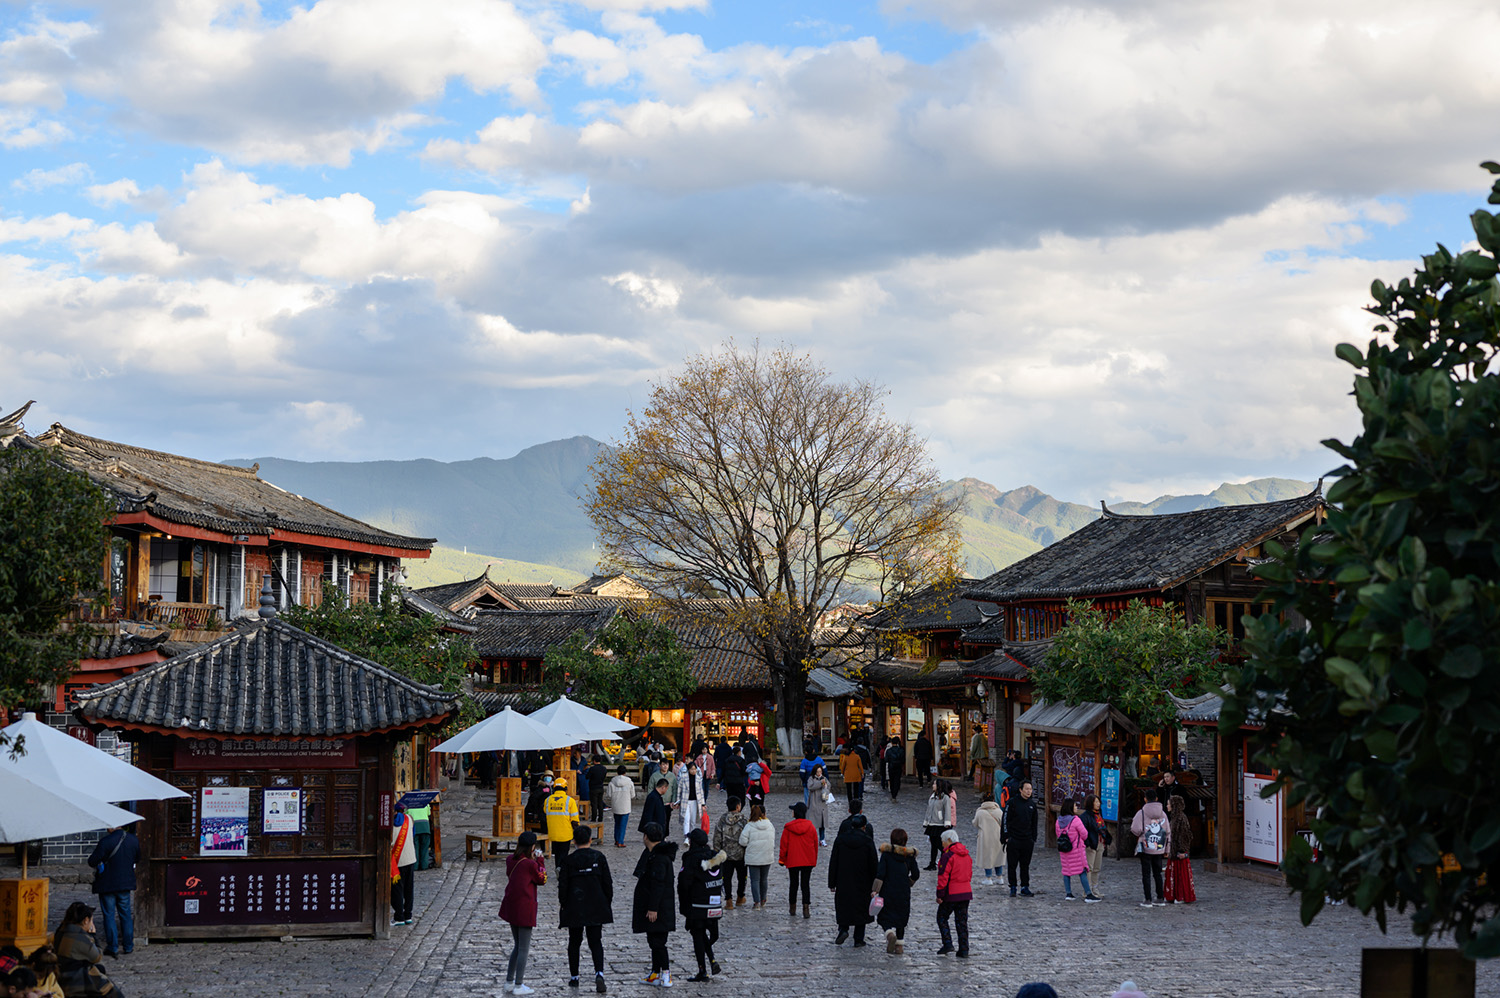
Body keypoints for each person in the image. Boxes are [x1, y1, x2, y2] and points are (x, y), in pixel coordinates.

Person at [559, 825, 613, 993]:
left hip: (575, 905)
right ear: (590, 840)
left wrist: (564, 904)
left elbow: (563, 887)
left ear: (573, 841)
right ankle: (599, 973)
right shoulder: (599, 857)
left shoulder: (568, 861)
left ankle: (574, 977)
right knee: (595, 941)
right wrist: (606, 902)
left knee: (574, 942)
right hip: (596, 904)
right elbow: (608, 884)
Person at [499, 831, 547, 996]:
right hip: (525, 907)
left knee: (517, 946)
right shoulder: (530, 864)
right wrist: (540, 860)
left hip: (512, 906)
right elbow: (542, 879)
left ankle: (509, 981)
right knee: (524, 948)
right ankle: (519, 985)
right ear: (533, 847)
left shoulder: (510, 860)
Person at [632, 823, 678, 988]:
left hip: (659, 908)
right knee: (653, 940)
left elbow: (658, 884)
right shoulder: (655, 854)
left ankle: (666, 973)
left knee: (658, 942)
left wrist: (653, 908)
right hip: (658, 906)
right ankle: (655, 973)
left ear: (646, 837)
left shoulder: (659, 858)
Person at [677, 828, 726, 981]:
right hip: (715, 904)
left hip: (697, 904)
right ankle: (712, 960)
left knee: (697, 935)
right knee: (703, 933)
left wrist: (684, 905)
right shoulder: (715, 858)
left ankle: (702, 970)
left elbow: (684, 883)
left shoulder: (691, 859)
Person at [87, 825, 140, 958]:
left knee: (109, 915)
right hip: (125, 883)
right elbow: (137, 858)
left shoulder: (106, 841)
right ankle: (128, 946)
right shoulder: (133, 840)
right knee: (126, 914)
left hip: (107, 884)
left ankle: (113, 946)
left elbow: (92, 861)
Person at [826, 814, 878, 947]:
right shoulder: (867, 841)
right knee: (861, 908)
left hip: (844, 878)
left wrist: (832, 882)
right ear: (864, 827)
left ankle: (843, 929)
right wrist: (875, 885)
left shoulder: (841, 839)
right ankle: (859, 939)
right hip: (863, 879)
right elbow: (873, 864)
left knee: (844, 905)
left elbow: (834, 861)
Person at [53, 902, 122, 997]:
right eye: (91, 921)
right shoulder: (79, 937)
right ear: (86, 920)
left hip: (62, 972)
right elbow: (97, 957)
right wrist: (93, 935)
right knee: (113, 992)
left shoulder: (61, 931)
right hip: (75, 978)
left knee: (100, 969)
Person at [872, 827, 920, 954]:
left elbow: (880, 874)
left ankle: (889, 934)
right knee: (901, 918)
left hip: (888, 890)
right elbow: (916, 874)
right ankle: (899, 946)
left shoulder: (886, 855)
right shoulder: (909, 856)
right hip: (903, 891)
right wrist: (909, 882)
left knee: (884, 916)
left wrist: (875, 890)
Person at [934, 828, 972, 958]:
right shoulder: (966, 855)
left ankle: (947, 943)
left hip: (951, 893)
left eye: (943, 841)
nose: (942, 844)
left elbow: (943, 877)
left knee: (942, 917)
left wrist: (940, 895)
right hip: (965, 892)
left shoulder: (947, 856)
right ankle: (964, 949)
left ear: (949, 841)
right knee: (962, 922)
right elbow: (969, 874)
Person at [1131, 789, 1171, 907]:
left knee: (1146, 873)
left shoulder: (1141, 813)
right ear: (1157, 799)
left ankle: (1148, 899)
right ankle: (1160, 897)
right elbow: (1168, 832)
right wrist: (1167, 849)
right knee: (1157, 873)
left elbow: (1135, 829)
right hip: (1159, 847)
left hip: (1145, 846)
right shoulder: (1163, 814)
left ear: (1145, 799)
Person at [779, 801, 819, 919]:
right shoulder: (810, 827)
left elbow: (784, 845)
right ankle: (806, 908)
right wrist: (814, 859)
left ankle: (793, 907)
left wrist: (782, 860)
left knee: (794, 884)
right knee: (805, 884)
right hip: (807, 860)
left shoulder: (789, 828)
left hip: (793, 860)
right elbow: (815, 844)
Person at [1055, 798, 1100, 902]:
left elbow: (1058, 833)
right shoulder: (1075, 820)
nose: (1076, 808)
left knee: (1066, 871)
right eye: (1075, 806)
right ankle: (1088, 894)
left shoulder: (1058, 821)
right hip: (1076, 850)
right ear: (1070, 807)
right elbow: (1084, 834)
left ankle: (1069, 893)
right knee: (1082, 871)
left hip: (1064, 849)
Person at [1003, 780, 1038, 897]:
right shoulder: (1012, 803)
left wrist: (1034, 837)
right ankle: (1012, 886)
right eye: (1026, 789)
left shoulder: (1032, 805)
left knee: (1025, 865)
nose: (1029, 791)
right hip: (1014, 838)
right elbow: (1005, 820)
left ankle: (1025, 886)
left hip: (1027, 839)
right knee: (1012, 865)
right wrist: (1006, 837)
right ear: (1020, 790)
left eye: (1030, 789)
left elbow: (1034, 823)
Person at [738, 803, 776, 910]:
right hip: (767, 855)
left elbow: (743, 841)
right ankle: (763, 899)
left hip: (753, 857)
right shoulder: (769, 824)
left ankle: (757, 902)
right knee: (764, 879)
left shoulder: (749, 826)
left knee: (755, 880)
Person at [712, 797, 749, 909]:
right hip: (740, 854)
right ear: (738, 806)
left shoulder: (722, 820)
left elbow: (717, 837)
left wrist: (717, 850)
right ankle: (740, 897)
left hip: (725, 854)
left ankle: (728, 900)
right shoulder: (743, 820)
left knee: (726, 878)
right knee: (742, 877)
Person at [1164, 795, 1196, 904]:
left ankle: (1180, 895)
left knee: (1180, 875)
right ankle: (1172, 895)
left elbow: (1185, 835)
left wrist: (1182, 851)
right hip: (1174, 850)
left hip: (1178, 851)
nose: (1167, 806)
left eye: (1169, 804)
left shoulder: (1180, 818)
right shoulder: (1174, 817)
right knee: (1172, 873)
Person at [390, 804, 417, 926]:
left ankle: (399, 916)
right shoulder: (409, 819)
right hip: (410, 858)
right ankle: (408, 915)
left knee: (396, 890)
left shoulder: (389, 826)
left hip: (397, 862)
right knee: (408, 889)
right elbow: (413, 834)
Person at [972, 793, 1005, 886]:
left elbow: (975, 823)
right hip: (998, 837)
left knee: (988, 857)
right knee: (998, 857)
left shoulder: (980, 812)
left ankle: (988, 877)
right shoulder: (999, 811)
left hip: (985, 838)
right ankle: (999, 877)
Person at [1081, 793, 1111, 892]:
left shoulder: (1099, 814)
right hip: (1091, 844)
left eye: (1098, 802)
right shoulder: (1085, 816)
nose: (1098, 804)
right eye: (1096, 802)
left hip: (1100, 842)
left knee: (1097, 867)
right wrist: (1088, 843)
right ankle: (1087, 890)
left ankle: (1095, 888)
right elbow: (1083, 831)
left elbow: (1102, 828)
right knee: (1089, 867)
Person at [545, 780, 581, 860]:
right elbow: (574, 820)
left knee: (557, 856)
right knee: (563, 855)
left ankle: (558, 868)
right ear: (565, 788)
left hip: (553, 833)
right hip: (565, 835)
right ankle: (561, 870)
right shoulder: (570, 801)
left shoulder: (547, 800)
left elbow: (545, 811)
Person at [922, 779, 954, 870]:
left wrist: (947, 823)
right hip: (932, 823)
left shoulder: (945, 798)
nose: (933, 785)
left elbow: (947, 811)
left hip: (939, 825)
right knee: (933, 845)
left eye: (935, 784)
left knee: (940, 845)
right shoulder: (932, 797)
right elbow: (928, 810)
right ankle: (932, 863)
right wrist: (926, 821)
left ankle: (945, 862)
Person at [672, 760, 707, 839]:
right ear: (688, 769)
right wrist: (678, 801)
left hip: (695, 802)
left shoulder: (698, 778)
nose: (694, 771)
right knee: (686, 819)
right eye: (692, 769)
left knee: (693, 821)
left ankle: (693, 837)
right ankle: (687, 837)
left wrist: (703, 804)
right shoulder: (683, 778)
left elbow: (701, 792)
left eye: (695, 769)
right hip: (685, 801)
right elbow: (679, 790)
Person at [606, 766, 636, 848]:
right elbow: (633, 795)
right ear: (625, 772)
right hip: (625, 806)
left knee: (617, 823)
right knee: (623, 825)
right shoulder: (629, 782)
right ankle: (620, 841)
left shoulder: (612, 782)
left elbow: (609, 794)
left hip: (616, 805)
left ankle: (616, 839)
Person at [805, 764, 832, 846]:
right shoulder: (811, 779)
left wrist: (825, 785)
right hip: (814, 803)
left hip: (822, 803)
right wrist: (820, 783)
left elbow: (829, 786)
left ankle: (822, 839)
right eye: (817, 772)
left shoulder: (824, 778)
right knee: (812, 822)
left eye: (820, 771)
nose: (819, 773)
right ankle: (811, 838)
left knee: (822, 823)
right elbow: (810, 787)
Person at [405, 799, 434, 871]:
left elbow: (406, 815)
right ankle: (424, 865)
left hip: (414, 828)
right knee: (424, 847)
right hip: (425, 828)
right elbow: (428, 814)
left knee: (415, 847)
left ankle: (415, 866)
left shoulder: (409, 804)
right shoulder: (425, 803)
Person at [588, 755, 609, 823]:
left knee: (594, 803)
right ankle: (600, 817)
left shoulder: (592, 768)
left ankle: (594, 817)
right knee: (600, 803)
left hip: (593, 787)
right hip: (601, 786)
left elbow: (587, 776)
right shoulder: (604, 768)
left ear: (594, 761)